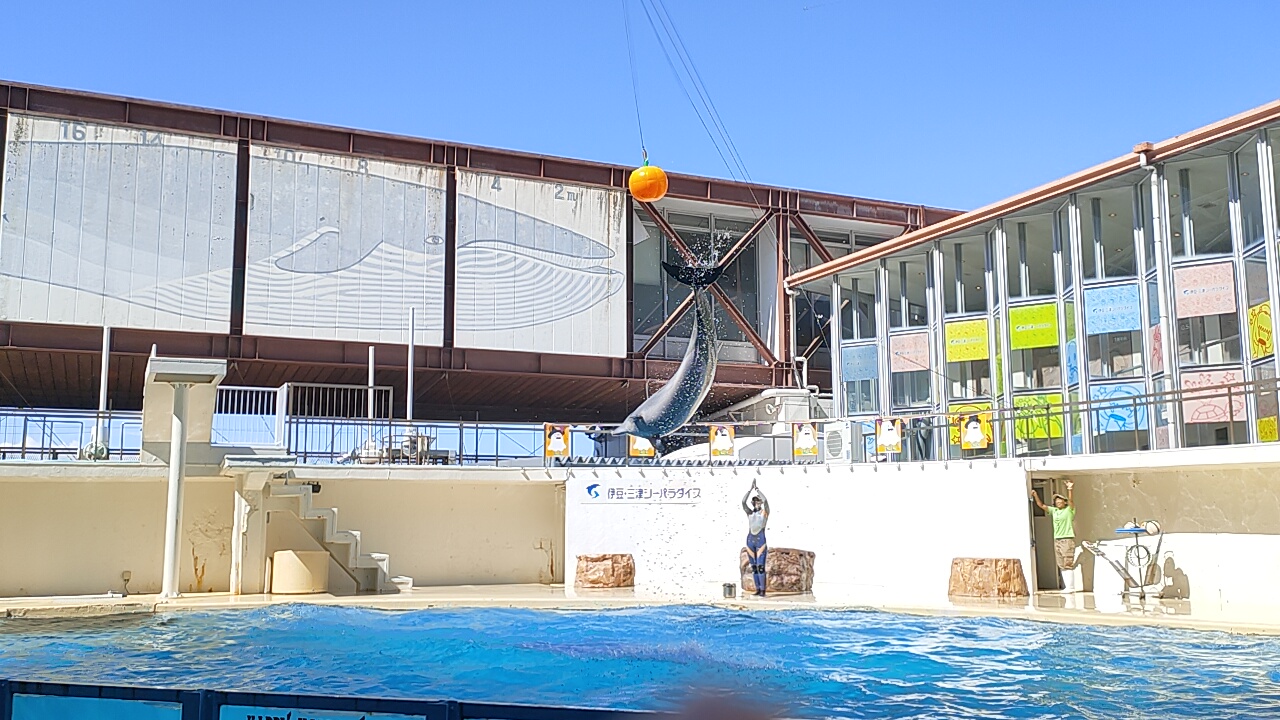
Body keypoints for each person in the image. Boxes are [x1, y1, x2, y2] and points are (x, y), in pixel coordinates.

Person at [1031, 480, 1077, 589]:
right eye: (1056, 500)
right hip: (1057, 539)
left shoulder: (1069, 510)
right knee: (1061, 563)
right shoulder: (1054, 511)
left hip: (1067, 539)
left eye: (1060, 500)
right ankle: (1067, 586)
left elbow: (1071, 501)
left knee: (1067, 563)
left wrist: (1069, 489)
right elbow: (1041, 505)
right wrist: (1035, 495)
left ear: (1064, 502)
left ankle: (1070, 587)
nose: (1058, 501)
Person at [742, 479, 770, 597]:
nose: (756, 503)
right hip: (750, 540)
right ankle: (757, 589)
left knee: (760, 567)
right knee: (754, 567)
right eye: (754, 502)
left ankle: (763, 590)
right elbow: (743, 502)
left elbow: (766, 501)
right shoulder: (750, 513)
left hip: (760, 540)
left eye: (758, 501)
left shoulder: (764, 512)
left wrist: (757, 489)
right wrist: (749, 490)